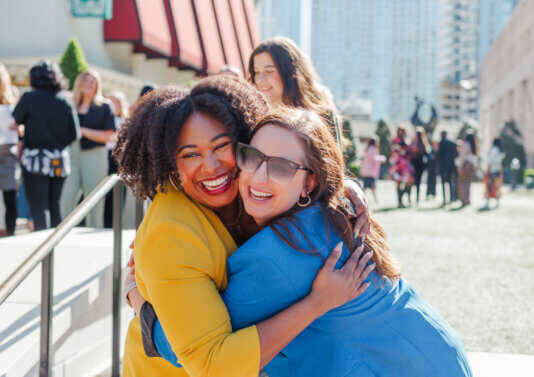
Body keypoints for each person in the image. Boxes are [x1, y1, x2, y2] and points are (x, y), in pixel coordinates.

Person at [145, 108, 473, 377]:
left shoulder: (282, 254)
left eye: (282, 168)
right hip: (436, 355)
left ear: (309, 183)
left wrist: (139, 299)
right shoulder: (328, 215)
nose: (259, 176)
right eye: (251, 157)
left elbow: (189, 346)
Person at [113, 76, 371, 377]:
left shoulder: (247, 182)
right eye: (190, 154)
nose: (211, 166)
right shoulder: (170, 232)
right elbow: (212, 365)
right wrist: (318, 303)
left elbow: (293, 158)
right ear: (170, 164)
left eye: (222, 146)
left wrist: (339, 188)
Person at [12, 60, 79, 231]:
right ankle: (55, 248)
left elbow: (16, 119)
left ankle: (43, 252)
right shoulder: (65, 101)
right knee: (55, 206)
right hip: (59, 160)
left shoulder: (29, 98)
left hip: (35, 160)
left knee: (39, 208)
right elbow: (75, 134)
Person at [248, 36, 343, 149]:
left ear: (290, 73)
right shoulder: (251, 117)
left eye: (269, 71)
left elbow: (333, 165)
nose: (260, 79)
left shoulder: (323, 117)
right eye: (256, 72)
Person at [60, 70, 115, 228]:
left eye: (92, 81)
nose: (88, 84)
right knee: (67, 196)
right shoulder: (70, 104)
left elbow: (109, 135)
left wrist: (83, 131)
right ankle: (64, 231)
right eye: (85, 80)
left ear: (97, 85)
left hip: (95, 154)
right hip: (73, 153)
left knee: (93, 200)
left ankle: (93, 232)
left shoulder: (104, 106)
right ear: (79, 83)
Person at [104, 90, 129, 228]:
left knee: (120, 191)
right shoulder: (105, 118)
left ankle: (117, 223)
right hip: (106, 155)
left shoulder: (126, 120)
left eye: (115, 102)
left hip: (120, 158)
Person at [0, 63, 18, 236]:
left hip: (8, 151)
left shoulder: (11, 103)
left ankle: (11, 232)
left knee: (9, 195)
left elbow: (22, 128)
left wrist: (17, 127)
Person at [389, 125, 414, 208]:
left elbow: (410, 150)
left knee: (410, 181)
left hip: (406, 165)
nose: (401, 132)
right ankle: (400, 201)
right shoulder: (395, 140)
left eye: (403, 130)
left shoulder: (407, 139)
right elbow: (393, 151)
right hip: (398, 165)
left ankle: (407, 197)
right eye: (400, 130)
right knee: (399, 182)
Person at [408, 126, 430, 204]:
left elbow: (427, 154)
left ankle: (417, 198)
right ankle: (410, 198)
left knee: (418, 182)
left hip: (419, 165)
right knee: (412, 181)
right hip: (413, 164)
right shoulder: (413, 143)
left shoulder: (423, 143)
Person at [482, 138, 505, 210]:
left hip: (492, 170)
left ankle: (487, 203)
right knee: (497, 186)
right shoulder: (500, 151)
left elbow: (489, 160)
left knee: (489, 186)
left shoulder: (493, 150)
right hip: (498, 170)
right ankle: (497, 202)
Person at [437, 130, 458, 206]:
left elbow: (438, 154)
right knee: (450, 183)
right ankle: (451, 198)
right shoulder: (451, 143)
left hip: (443, 166)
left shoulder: (442, 142)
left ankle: (445, 199)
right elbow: (456, 148)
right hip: (451, 165)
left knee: (444, 183)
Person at [457, 133, 477, 207]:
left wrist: (460, 167)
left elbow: (462, 156)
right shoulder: (473, 145)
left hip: (466, 165)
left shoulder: (466, 144)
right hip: (471, 165)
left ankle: (463, 200)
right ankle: (467, 199)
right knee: (468, 183)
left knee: (463, 182)